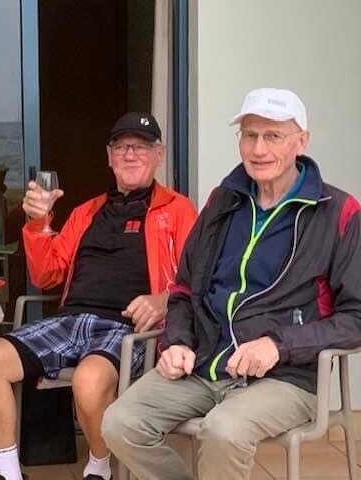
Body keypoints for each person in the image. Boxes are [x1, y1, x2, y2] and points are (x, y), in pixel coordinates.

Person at [101, 88, 361, 480]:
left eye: (273, 136)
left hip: (286, 377)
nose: (258, 149)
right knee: (121, 422)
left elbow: (356, 317)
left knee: (223, 430)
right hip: (206, 364)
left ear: (302, 141)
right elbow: (184, 290)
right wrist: (177, 342)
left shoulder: (337, 211)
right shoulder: (223, 202)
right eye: (249, 135)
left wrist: (279, 345)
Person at [0, 112, 198, 480]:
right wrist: (37, 223)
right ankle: (9, 474)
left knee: (89, 380)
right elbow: (47, 274)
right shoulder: (87, 212)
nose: (130, 154)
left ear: (159, 154)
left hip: (129, 327)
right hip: (71, 321)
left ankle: (99, 466)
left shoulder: (178, 210)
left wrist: (165, 299)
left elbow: (198, 278)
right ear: (109, 157)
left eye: (141, 147)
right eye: (121, 147)